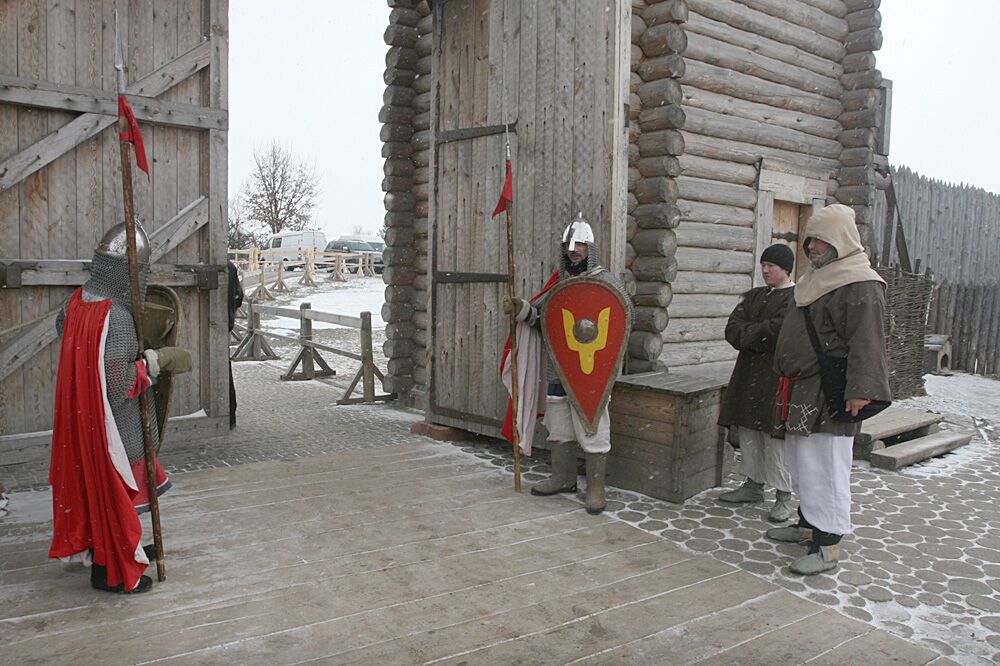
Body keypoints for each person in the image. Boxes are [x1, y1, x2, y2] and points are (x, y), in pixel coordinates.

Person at [49, 222, 192, 594]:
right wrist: (154, 361)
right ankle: (110, 570)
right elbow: (118, 385)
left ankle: (119, 550)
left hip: (83, 417)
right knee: (115, 495)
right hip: (111, 425)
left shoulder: (78, 300)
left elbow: (63, 334)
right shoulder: (118, 317)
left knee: (97, 490)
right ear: (131, 272)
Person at [767, 204, 890, 575]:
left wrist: (861, 390)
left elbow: (868, 341)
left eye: (820, 240)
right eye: (809, 241)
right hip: (803, 389)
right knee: (804, 461)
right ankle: (808, 524)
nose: (812, 248)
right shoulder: (817, 280)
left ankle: (829, 544)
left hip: (831, 391)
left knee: (827, 465)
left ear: (841, 239)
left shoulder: (859, 283)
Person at [501, 213, 631, 515]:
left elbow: (621, 322)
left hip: (591, 373)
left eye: (581, 245)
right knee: (559, 426)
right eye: (570, 246)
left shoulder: (604, 283)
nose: (574, 250)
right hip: (559, 367)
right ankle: (563, 477)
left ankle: (596, 488)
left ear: (590, 248)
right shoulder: (559, 284)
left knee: (593, 426)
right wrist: (523, 311)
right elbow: (542, 322)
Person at [717, 244, 797, 522]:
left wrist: (750, 333)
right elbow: (732, 330)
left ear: (785, 269)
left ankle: (784, 496)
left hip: (777, 378)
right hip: (749, 375)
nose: (765, 270)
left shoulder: (795, 299)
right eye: (763, 265)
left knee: (776, 439)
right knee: (750, 432)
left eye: (771, 266)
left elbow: (779, 332)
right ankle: (753, 485)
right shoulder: (754, 296)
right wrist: (755, 334)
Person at [227, 260, 244, 429]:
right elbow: (239, 297)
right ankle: (229, 414)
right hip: (224, 324)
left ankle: (228, 414)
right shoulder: (230, 267)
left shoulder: (227, 267)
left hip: (219, 324)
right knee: (225, 371)